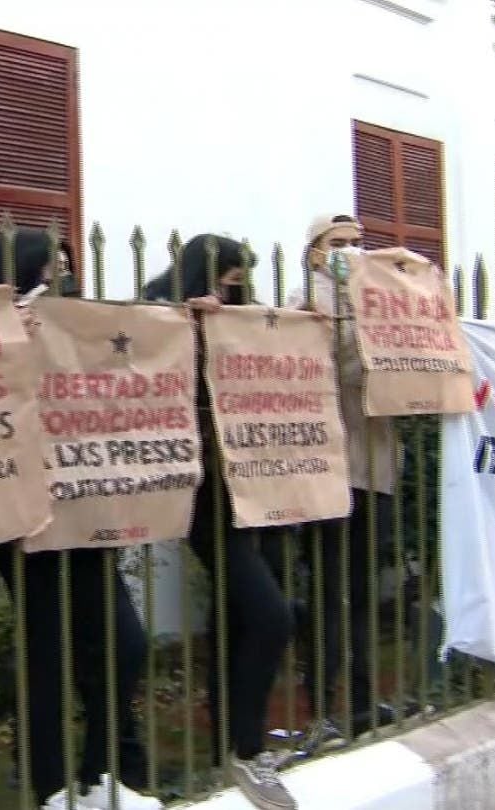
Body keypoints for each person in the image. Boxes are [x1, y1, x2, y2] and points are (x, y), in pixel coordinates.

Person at [0, 228, 159, 810]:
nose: (60, 275)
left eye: (66, 265)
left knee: (123, 642)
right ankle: (50, 785)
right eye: (48, 267)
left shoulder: (80, 322)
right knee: (47, 649)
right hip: (24, 514)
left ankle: (102, 771)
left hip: (84, 505)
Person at [143, 235, 298, 810]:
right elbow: (139, 367)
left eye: (240, 280)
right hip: (205, 495)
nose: (235, 287)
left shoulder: (238, 313)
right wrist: (185, 324)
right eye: (228, 277)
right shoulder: (161, 307)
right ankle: (248, 747)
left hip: (256, 486)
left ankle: (229, 747)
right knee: (271, 617)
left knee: (237, 621)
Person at [282, 214, 418, 745]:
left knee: (361, 593)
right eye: (339, 244)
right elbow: (306, 373)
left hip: (377, 463)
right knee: (328, 592)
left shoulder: (382, 298)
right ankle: (323, 706)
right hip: (328, 466)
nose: (352, 252)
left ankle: (362, 704)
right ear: (315, 252)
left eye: (359, 244)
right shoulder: (303, 302)